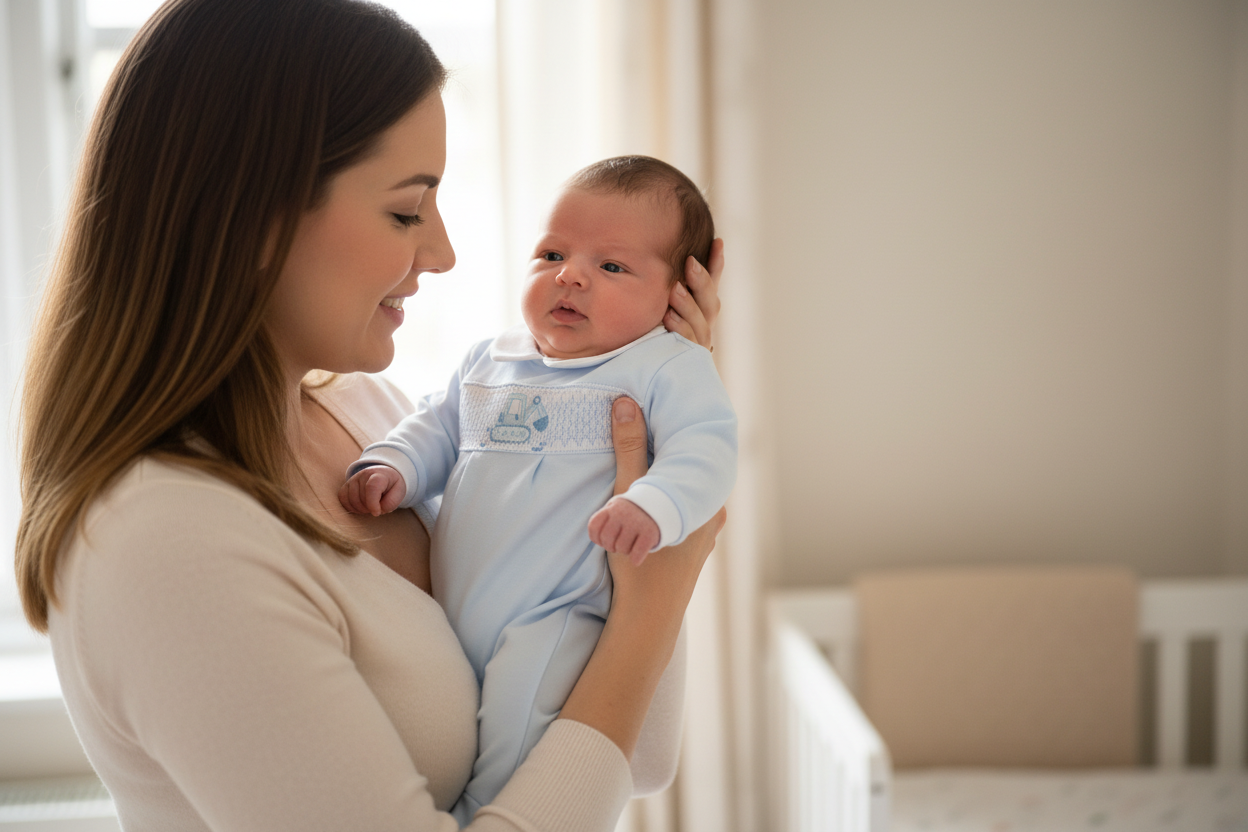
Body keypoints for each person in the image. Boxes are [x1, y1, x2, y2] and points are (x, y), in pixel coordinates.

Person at [13, 2, 725, 831]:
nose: (443, 253)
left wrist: (647, 398)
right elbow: (617, 702)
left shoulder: (371, 418)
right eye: (405, 210)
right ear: (251, 215)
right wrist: (651, 610)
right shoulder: (166, 541)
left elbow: (635, 756)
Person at [338, 155, 737, 819]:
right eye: (552, 252)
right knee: (466, 725)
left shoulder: (663, 364)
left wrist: (654, 505)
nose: (570, 274)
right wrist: (394, 466)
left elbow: (708, 448)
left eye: (612, 266)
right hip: (458, 610)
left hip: (555, 613)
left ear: (675, 295)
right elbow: (436, 423)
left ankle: (487, 811)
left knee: (520, 719)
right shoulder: (492, 358)